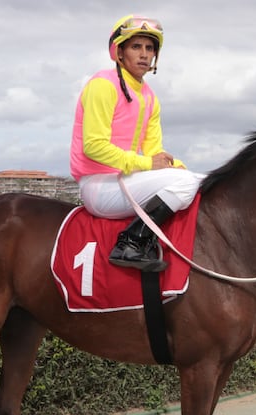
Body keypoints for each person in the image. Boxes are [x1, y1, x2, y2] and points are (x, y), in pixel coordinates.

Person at [70, 14, 203, 271]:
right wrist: (146, 163)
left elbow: (155, 152)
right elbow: (93, 146)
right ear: (119, 52)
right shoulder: (103, 85)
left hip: (127, 180)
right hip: (98, 186)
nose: (144, 54)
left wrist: (179, 167)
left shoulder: (150, 97)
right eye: (136, 47)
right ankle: (130, 242)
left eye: (149, 48)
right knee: (186, 184)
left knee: (199, 180)